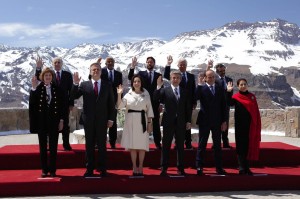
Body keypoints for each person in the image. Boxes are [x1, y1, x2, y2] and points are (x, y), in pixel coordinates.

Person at [71, 63, 115, 177]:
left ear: (101, 71)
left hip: (102, 120)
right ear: (90, 72)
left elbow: (111, 103)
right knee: (89, 145)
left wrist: (111, 118)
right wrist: (75, 84)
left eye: (97, 69)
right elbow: (74, 96)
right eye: (93, 70)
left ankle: (102, 168)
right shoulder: (84, 85)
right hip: (88, 120)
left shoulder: (107, 85)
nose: (95, 71)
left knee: (102, 145)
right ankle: (89, 168)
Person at [29, 67, 66, 178]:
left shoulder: (57, 89)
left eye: (50, 75)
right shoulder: (38, 88)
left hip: (54, 122)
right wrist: (34, 89)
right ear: (43, 77)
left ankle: (53, 170)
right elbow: (32, 104)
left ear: (52, 77)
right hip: (42, 122)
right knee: (43, 147)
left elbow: (62, 107)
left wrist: (61, 120)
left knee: (54, 147)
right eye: (46, 76)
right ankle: (44, 170)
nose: (48, 77)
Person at [154, 70, 192, 176]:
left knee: (180, 146)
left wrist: (188, 121)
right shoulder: (165, 90)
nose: (175, 80)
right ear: (170, 79)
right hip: (168, 122)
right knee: (166, 146)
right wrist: (158, 86)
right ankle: (164, 168)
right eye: (173, 78)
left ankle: (180, 168)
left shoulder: (184, 91)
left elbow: (187, 108)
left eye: (177, 78)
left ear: (180, 79)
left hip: (181, 123)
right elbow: (155, 98)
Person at [117, 74, 154, 176]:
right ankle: (134, 166)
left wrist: (150, 123)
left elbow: (149, 109)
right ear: (132, 83)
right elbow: (120, 106)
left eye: (138, 81)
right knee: (132, 146)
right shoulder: (128, 95)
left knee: (142, 146)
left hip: (143, 121)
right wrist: (119, 94)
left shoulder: (146, 95)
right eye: (135, 81)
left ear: (141, 83)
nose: (136, 83)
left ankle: (141, 166)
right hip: (131, 121)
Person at [35, 56, 74, 151]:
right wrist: (38, 68)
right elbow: (40, 79)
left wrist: (71, 103)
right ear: (53, 64)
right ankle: (49, 145)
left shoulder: (67, 75)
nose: (57, 64)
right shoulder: (50, 74)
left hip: (64, 104)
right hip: (51, 104)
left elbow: (71, 90)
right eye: (55, 62)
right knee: (49, 125)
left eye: (59, 62)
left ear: (62, 64)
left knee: (65, 125)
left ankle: (66, 144)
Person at [195, 69, 228, 175]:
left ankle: (219, 168)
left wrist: (224, 121)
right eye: (209, 77)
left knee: (218, 145)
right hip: (204, 120)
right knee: (202, 145)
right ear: (205, 78)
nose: (212, 79)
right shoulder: (202, 88)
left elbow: (224, 106)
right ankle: (199, 167)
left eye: (213, 77)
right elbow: (195, 98)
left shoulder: (219, 89)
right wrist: (199, 85)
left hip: (217, 121)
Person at [228, 78, 261, 175]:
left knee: (248, 147)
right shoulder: (236, 97)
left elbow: (256, 112)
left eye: (244, 84)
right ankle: (241, 167)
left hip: (250, 126)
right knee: (240, 147)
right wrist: (228, 92)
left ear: (247, 85)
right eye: (241, 84)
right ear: (238, 86)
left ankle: (247, 167)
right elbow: (228, 103)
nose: (243, 86)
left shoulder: (252, 97)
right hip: (240, 126)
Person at [128, 56, 162, 149]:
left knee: (155, 124)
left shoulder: (158, 75)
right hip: (142, 103)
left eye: (151, 62)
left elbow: (161, 90)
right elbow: (130, 78)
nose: (149, 63)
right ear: (146, 63)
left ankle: (158, 143)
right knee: (141, 123)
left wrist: (161, 103)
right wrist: (132, 67)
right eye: (148, 62)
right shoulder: (141, 74)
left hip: (155, 104)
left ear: (154, 64)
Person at [164, 56, 196, 149]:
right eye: (180, 65)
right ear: (178, 66)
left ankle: (188, 143)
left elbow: (193, 89)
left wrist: (194, 102)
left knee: (187, 123)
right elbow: (166, 76)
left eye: (184, 64)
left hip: (188, 104)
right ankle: (178, 143)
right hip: (177, 104)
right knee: (177, 124)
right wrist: (168, 65)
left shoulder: (191, 76)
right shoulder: (175, 76)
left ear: (186, 65)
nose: (182, 66)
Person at [98, 56, 123, 149]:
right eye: (108, 62)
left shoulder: (118, 74)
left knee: (113, 123)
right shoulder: (101, 72)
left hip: (114, 101)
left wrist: (119, 100)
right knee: (101, 123)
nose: (110, 63)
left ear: (114, 63)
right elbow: (91, 77)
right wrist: (97, 64)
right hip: (103, 101)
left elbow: (120, 88)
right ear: (105, 63)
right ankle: (101, 142)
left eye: (111, 61)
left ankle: (113, 142)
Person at [207, 61, 233, 148]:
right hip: (217, 106)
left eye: (223, 71)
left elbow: (230, 94)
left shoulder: (229, 80)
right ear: (217, 71)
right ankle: (216, 143)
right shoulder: (214, 80)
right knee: (216, 126)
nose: (222, 72)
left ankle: (225, 143)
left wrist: (229, 96)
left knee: (225, 124)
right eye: (220, 71)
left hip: (226, 106)